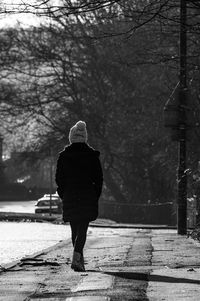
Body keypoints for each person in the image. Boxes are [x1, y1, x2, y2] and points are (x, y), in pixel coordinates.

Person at [55, 120, 103, 272]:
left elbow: (59, 178)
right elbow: (99, 178)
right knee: (82, 228)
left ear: (71, 137)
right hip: (87, 195)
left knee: (74, 229)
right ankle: (78, 259)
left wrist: (63, 193)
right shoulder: (91, 156)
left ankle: (78, 260)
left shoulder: (64, 156)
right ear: (84, 137)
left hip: (70, 195)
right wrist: (95, 194)